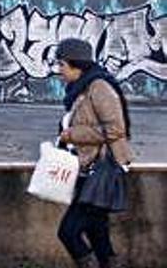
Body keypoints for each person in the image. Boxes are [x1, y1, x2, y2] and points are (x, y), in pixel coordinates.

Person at [54, 38, 133, 268]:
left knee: (68, 232)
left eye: (62, 65)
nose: (59, 71)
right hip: (87, 170)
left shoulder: (99, 87)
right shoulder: (81, 88)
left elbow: (117, 129)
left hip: (101, 172)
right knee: (98, 233)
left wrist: (73, 134)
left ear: (75, 64)